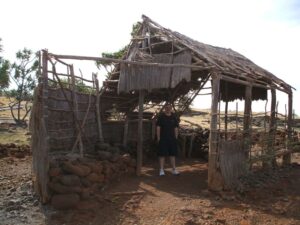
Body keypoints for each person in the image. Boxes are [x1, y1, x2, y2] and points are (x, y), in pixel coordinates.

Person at [156, 103, 180, 176]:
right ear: (164, 109)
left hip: (172, 139)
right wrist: (158, 138)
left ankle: (173, 169)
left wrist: (176, 137)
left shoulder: (174, 117)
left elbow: (176, 128)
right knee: (162, 154)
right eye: (167, 108)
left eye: (169, 107)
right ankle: (161, 170)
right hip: (163, 138)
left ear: (171, 109)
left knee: (172, 154)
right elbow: (158, 128)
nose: (168, 109)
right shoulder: (161, 117)